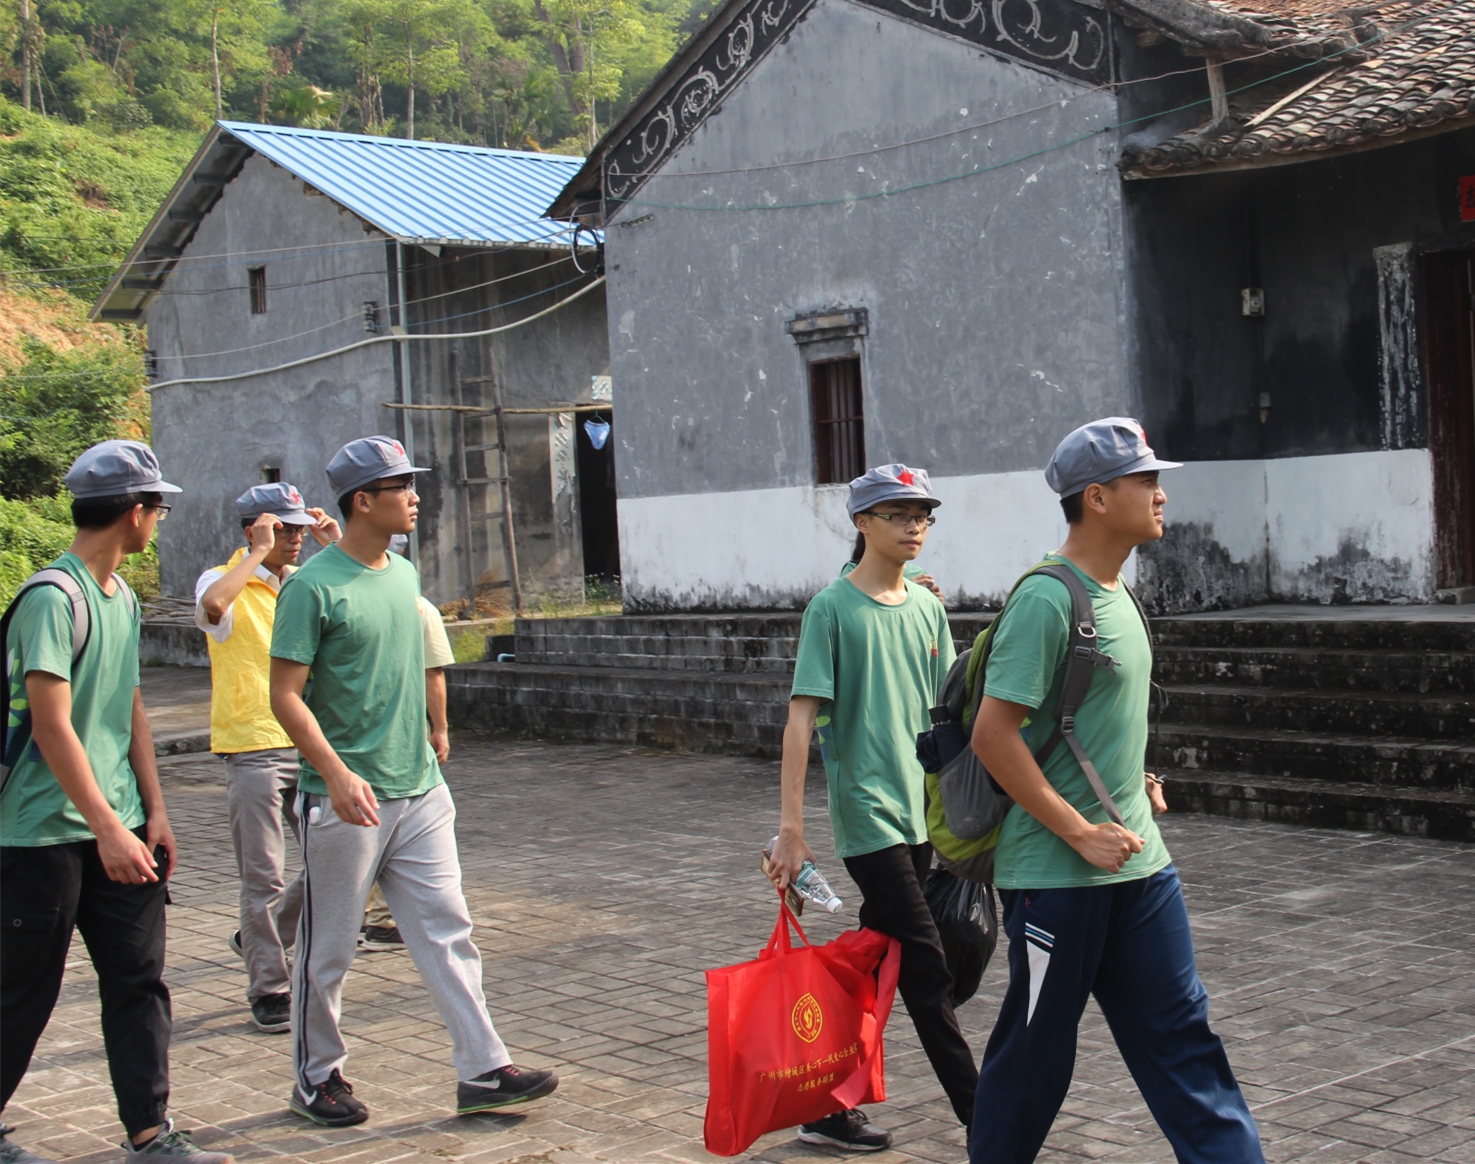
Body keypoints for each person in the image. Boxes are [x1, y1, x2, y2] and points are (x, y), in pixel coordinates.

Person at [968, 418, 1263, 1163]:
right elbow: (993, 736)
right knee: (1031, 1064)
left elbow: (1083, 726)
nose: (1161, 495)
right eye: (1145, 482)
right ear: (1096, 498)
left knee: (1185, 1048)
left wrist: (1136, 780)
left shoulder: (1117, 592)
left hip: (1139, 871)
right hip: (1055, 881)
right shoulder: (1046, 598)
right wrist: (1078, 830)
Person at [269, 435, 557, 1127]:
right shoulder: (313, 587)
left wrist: (433, 739)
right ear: (362, 501)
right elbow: (284, 695)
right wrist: (332, 773)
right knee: (328, 951)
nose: (416, 497)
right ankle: (317, 1080)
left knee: (448, 931)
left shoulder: (400, 574)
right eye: (402, 487)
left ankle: (484, 1069)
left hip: (419, 791)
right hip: (347, 800)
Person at [0, 440, 233, 1163]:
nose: (157, 522)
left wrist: (151, 811)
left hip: (121, 828)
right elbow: (51, 722)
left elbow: (129, 704)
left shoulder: (122, 597)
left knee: (138, 980)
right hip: (41, 836)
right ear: (135, 512)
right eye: (157, 509)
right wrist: (106, 826)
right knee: (21, 993)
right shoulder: (52, 598)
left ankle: (150, 1134)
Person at [768, 464, 978, 1153]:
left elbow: (950, 709)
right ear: (860, 524)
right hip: (868, 817)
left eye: (921, 514)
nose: (913, 525)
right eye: (897, 514)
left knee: (877, 958)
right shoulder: (831, 609)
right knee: (926, 967)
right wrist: (791, 833)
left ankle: (825, 1105)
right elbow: (801, 720)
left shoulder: (925, 608)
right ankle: (986, 1119)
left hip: (924, 814)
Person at [194, 483, 340, 1032]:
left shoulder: (301, 581)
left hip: (306, 741)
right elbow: (212, 609)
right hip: (252, 745)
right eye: (286, 528)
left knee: (334, 853)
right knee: (264, 875)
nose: (297, 537)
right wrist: (257, 554)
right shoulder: (221, 578)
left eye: (301, 527)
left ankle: (264, 935)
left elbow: (369, 587)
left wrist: (335, 541)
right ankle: (270, 986)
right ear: (256, 528)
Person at [358, 533, 455, 952]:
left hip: (386, 746)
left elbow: (432, 672)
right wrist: (441, 727)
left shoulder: (404, 606)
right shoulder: (417, 608)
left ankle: (381, 919)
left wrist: (437, 729)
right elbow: (435, 674)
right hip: (376, 749)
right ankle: (378, 919)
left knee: (370, 845)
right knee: (362, 849)